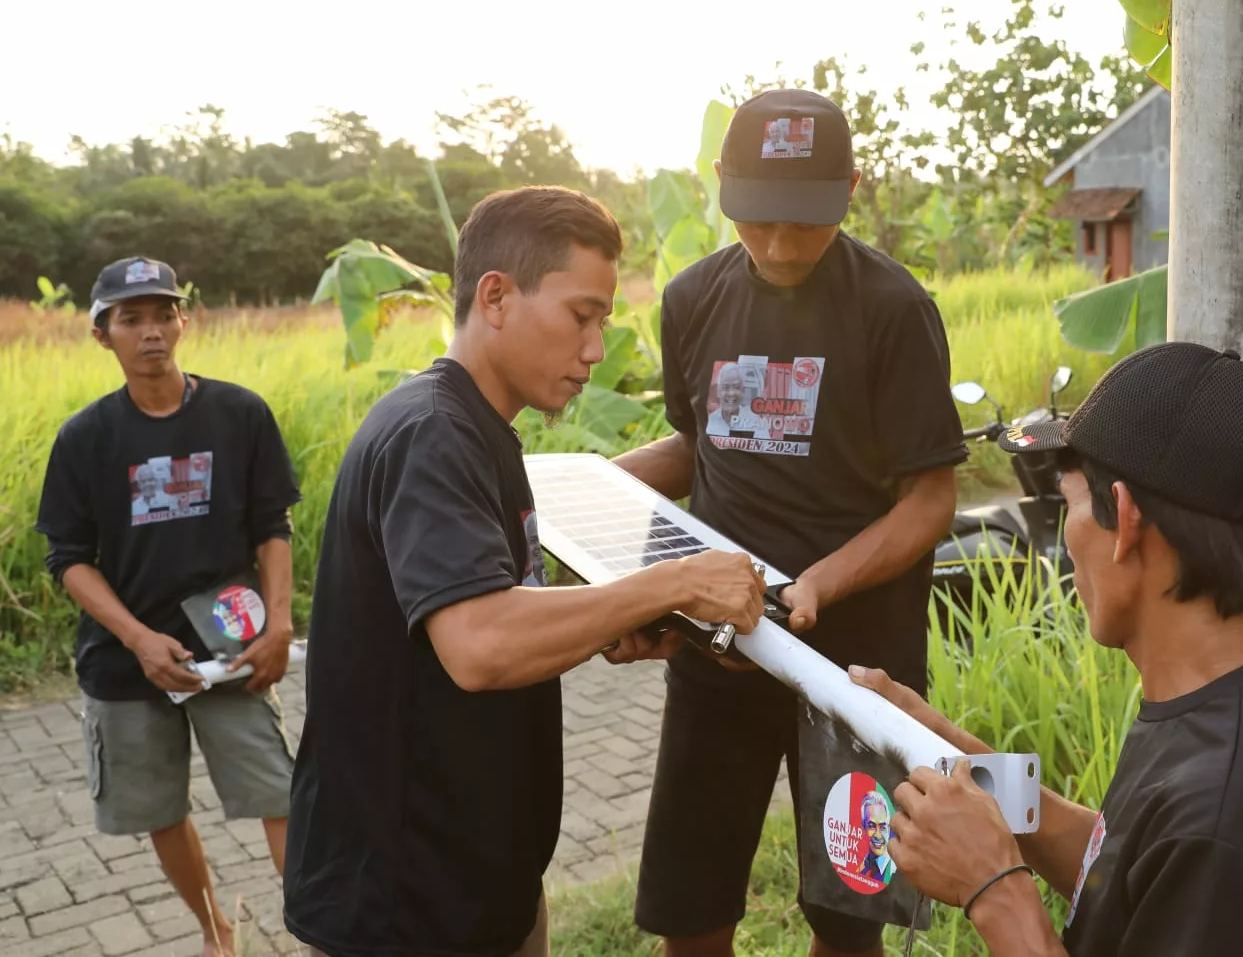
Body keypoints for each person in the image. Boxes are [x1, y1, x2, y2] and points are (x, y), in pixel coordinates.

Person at [281, 186, 767, 957]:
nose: (596, 348)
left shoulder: (478, 430)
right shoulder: (433, 435)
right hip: (405, 902)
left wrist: (606, 618)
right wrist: (672, 582)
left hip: (476, 874)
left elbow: (492, 610)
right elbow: (480, 645)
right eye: (582, 314)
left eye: (603, 320)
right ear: (497, 297)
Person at [850, 342, 1243, 956]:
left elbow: (1193, 852)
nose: (1067, 531)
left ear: (1126, 522)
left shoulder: (1225, 825)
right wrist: (947, 751)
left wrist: (996, 891)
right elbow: (1134, 870)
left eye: (1070, 503)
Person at [615, 89, 968, 957]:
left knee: (851, 918)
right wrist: (587, 491)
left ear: (850, 188)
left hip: (857, 671)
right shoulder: (693, 298)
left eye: (802, 223)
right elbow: (702, 446)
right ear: (723, 186)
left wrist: (815, 584)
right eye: (755, 219)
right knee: (690, 905)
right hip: (718, 649)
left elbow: (929, 498)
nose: (775, 246)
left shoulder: (893, 309)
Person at [34, 256, 303, 957]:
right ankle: (218, 932)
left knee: (277, 791)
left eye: (163, 315)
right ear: (103, 334)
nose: (150, 332)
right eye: (131, 319)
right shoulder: (85, 438)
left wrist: (279, 625)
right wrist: (139, 639)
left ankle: (317, 929)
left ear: (185, 321)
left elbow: (272, 527)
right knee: (161, 811)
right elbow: (69, 558)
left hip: (230, 642)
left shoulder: (239, 414)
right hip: (128, 662)